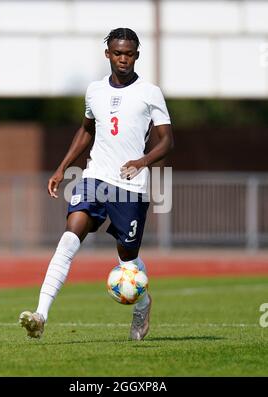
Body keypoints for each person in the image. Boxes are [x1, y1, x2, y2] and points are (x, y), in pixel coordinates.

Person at [19, 27, 174, 341]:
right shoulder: (94, 91)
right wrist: (62, 167)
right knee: (70, 235)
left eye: (128, 54)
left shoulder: (149, 92)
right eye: (117, 53)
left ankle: (142, 303)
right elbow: (86, 131)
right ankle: (40, 315)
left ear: (136, 55)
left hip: (131, 186)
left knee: (127, 258)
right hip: (94, 179)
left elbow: (168, 142)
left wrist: (141, 162)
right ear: (108, 54)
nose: (122, 59)